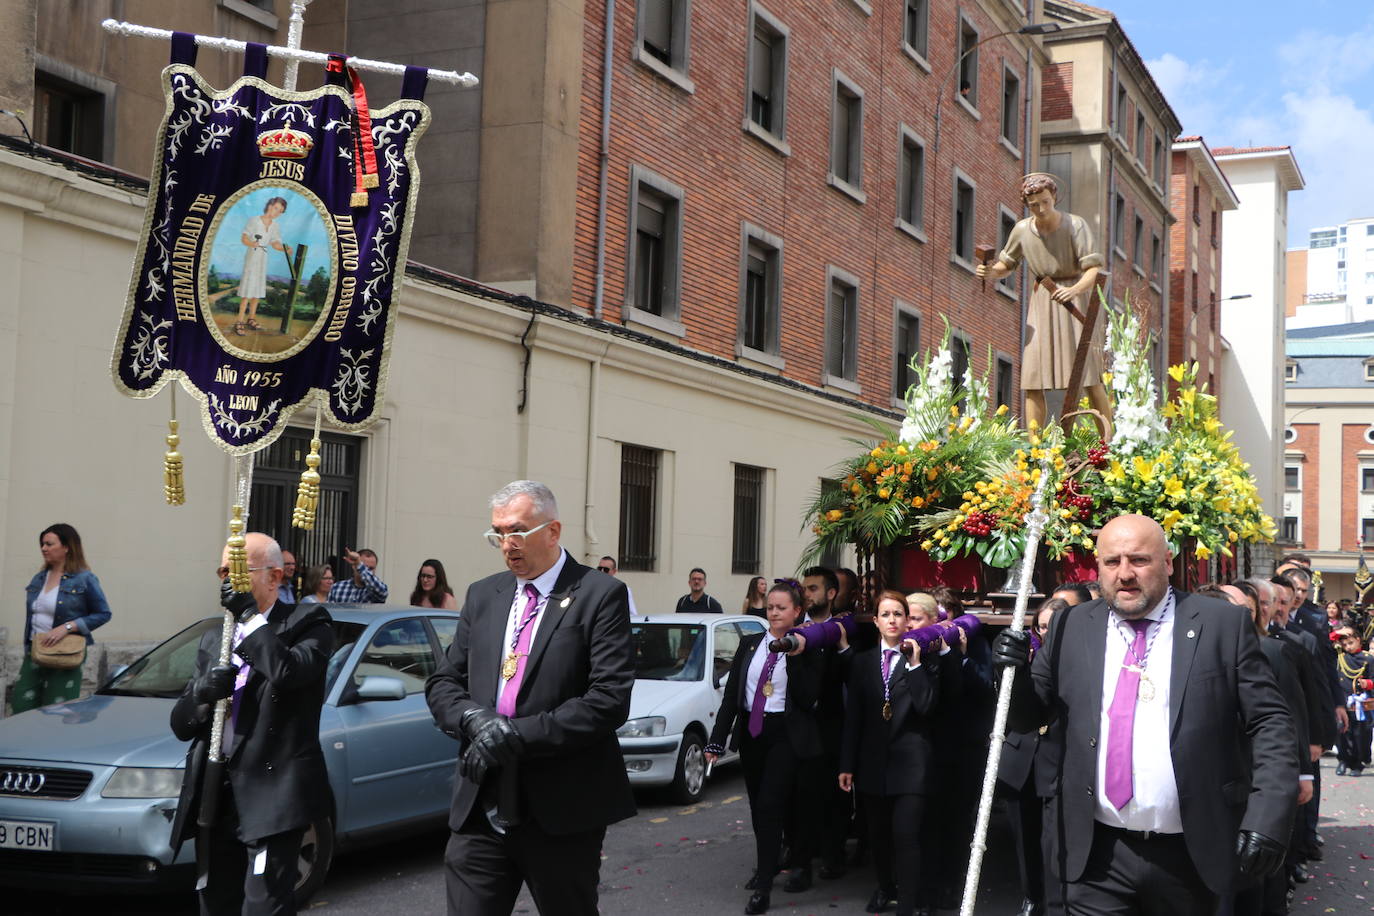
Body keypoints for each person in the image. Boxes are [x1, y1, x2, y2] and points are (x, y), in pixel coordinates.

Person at [993, 514, 1298, 914]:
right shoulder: (1073, 625)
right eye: (1111, 562)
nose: (1124, 574)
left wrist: (1267, 817)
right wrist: (1009, 673)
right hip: (1096, 856)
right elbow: (1028, 716)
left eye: (1139, 560)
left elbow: (1270, 723)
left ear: (1168, 563)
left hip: (1190, 854)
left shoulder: (1220, 624)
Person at [425, 481, 636, 916]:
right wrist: (473, 721)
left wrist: (515, 735)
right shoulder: (485, 594)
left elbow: (608, 699)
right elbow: (444, 682)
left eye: (518, 531)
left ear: (553, 531)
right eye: (498, 534)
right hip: (482, 798)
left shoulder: (598, 595)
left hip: (560, 806)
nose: (507, 545)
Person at [169, 532, 334, 915]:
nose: (228, 581)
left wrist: (249, 616)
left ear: (275, 577)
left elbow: (287, 671)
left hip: (272, 792)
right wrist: (201, 694)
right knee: (217, 902)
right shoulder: (216, 637)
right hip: (218, 791)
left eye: (240, 571)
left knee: (264, 905)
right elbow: (181, 725)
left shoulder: (309, 622)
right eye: (224, 570)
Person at [705, 580, 823, 914]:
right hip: (753, 732)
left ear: (797, 611)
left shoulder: (809, 647)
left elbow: (808, 697)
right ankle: (770, 862)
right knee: (760, 807)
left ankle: (766, 884)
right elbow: (733, 695)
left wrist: (794, 652)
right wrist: (717, 738)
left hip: (786, 734)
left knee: (773, 803)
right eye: (770, 607)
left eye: (781, 607)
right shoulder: (750, 643)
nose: (773, 612)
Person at [974, 172, 1111, 429]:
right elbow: (1007, 263)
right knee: (1033, 376)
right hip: (1043, 302)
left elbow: (1094, 268)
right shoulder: (1022, 230)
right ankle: (1035, 446)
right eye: (1034, 205)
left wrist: (1075, 290)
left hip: (1074, 302)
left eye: (1045, 202)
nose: (1040, 208)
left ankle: (1108, 441)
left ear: (1054, 197)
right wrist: (991, 272)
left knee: (1089, 376)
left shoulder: (1075, 225)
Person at [839, 590, 939, 916]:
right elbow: (853, 716)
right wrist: (847, 764)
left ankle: (908, 905)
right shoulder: (862, 661)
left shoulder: (923, 658)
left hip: (912, 764)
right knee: (878, 837)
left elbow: (925, 706)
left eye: (899, 614)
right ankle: (885, 887)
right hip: (873, 764)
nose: (893, 620)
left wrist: (914, 665)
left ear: (907, 620)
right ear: (876, 621)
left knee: (906, 837)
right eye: (886, 614)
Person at [1000, 596, 1072, 916]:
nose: (1047, 632)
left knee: (1054, 843)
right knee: (1025, 839)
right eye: (1042, 626)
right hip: (1022, 761)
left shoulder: (1075, 659)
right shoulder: (1026, 655)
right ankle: (1031, 896)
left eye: (1053, 626)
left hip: (1057, 763)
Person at [14, 523, 112, 713]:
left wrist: (67, 627)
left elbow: (103, 614)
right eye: (42, 544)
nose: (44, 548)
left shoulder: (84, 578)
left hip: (65, 653)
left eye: (49, 544)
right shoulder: (39, 578)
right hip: (36, 652)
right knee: (22, 706)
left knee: (57, 710)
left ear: (67, 547)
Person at [234, 196, 291, 336]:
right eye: (276, 208)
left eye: (280, 211)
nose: (277, 212)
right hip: (252, 255)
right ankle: (239, 322)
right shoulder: (254, 220)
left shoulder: (275, 226)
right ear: (270, 205)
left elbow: (275, 243)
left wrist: (285, 249)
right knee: (247, 289)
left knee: (258, 289)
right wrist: (251, 244)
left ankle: (251, 319)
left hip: (263, 257)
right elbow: (244, 238)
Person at [1335, 627, 1372, 776]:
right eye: (1344, 644)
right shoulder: (1340, 657)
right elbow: (1328, 640)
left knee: (1359, 734)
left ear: (1358, 640)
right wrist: (1340, 632)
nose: (1348, 647)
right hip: (1342, 699)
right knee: (1342, 732)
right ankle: (1343, 760)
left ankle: (1357, 763)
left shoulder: (1368, 659)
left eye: (1351, 642)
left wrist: (1368, 684)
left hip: (1360, 702)